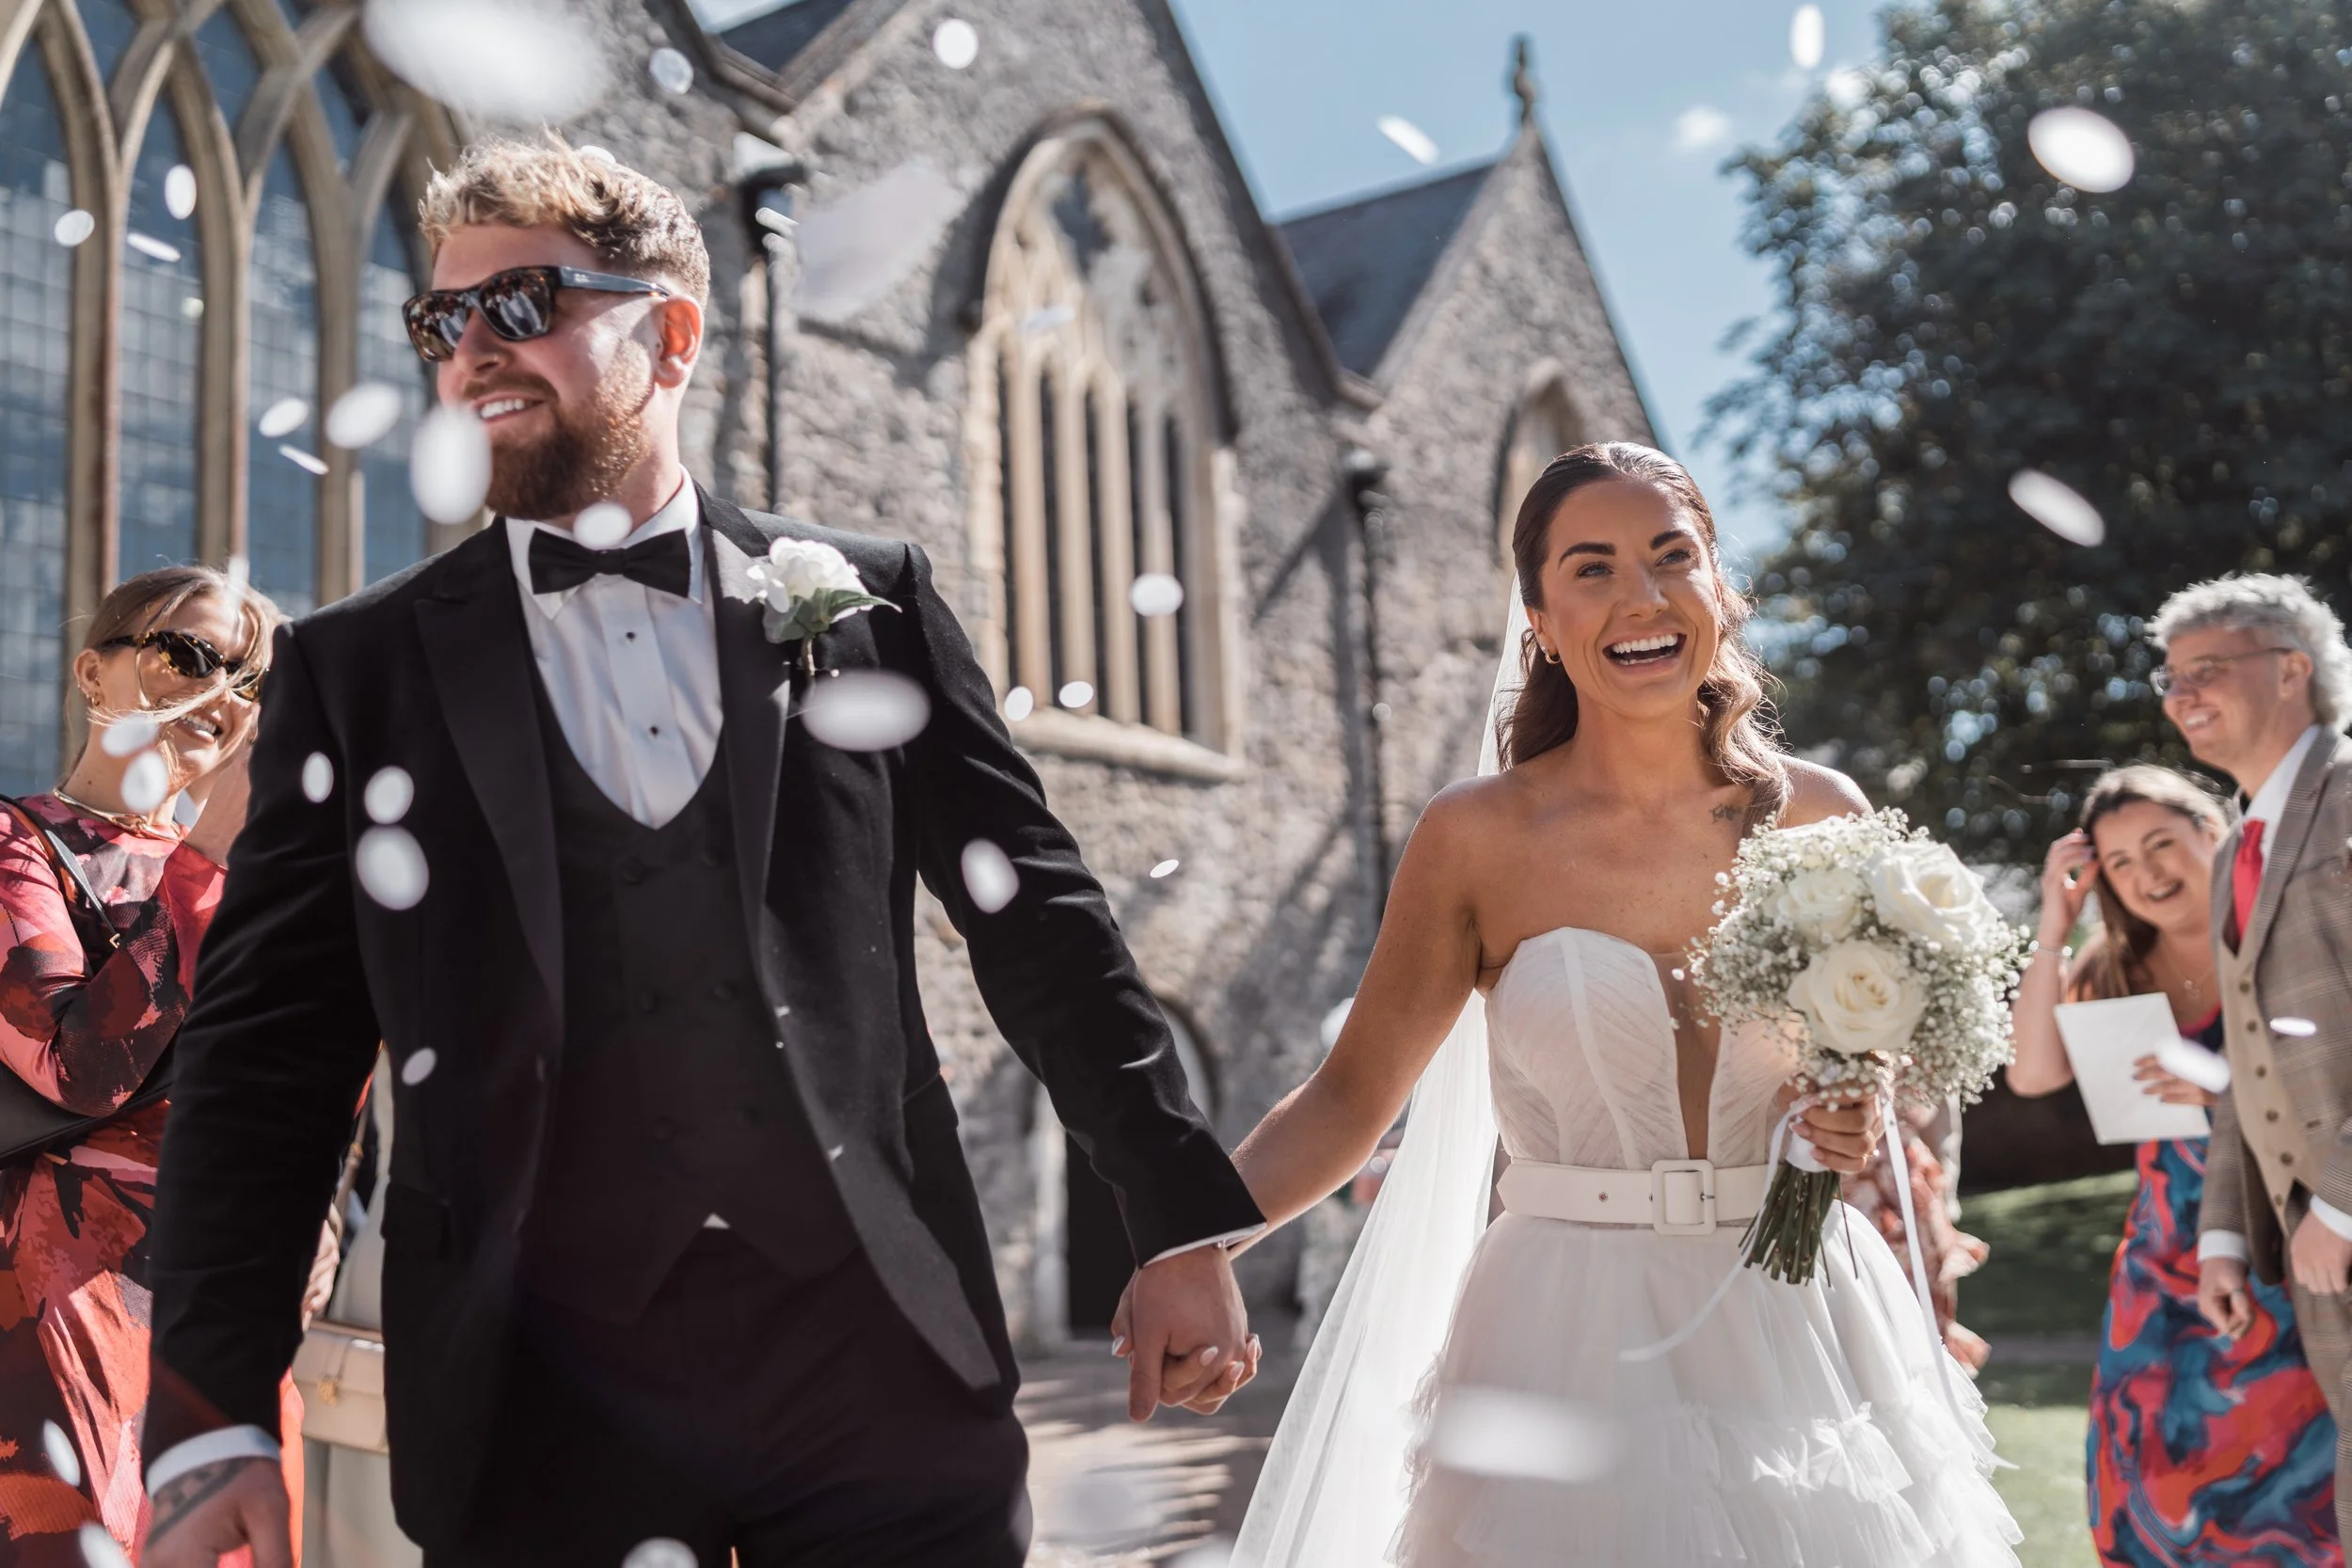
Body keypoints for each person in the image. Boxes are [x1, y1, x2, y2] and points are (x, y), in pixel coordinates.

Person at [136, 134, 1263, 1567]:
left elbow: (1034, 914)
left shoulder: (869, 601)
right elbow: (269, 1051)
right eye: (442, 320)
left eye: (522, 304)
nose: (471, 351)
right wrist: (212, 1410)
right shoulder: (359, 671)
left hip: (879, 1360)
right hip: (536, 1392)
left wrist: (1174, 1220)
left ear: (671, 333)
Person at [1216, 443, 2019, 1565]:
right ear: (1538, 616)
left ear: (1719, 591)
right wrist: (1191, 1241)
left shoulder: (1823, 816)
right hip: (1565, 1325)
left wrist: (1854, 1105)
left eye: (1670, 557)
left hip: (1799, 1314)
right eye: (1590, 568)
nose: (1639, 597)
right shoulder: (1476, 836)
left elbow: (1862, 1059)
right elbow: (1349, 1096)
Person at [0, 567, 288, 1560]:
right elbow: (77, 1066)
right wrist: (206, 851)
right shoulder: (15, 840)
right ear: (93, 672)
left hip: (223, 1312)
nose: (222, 696)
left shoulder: (256, 885)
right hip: (59, 1297)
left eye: (249, 681)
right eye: (188, 656)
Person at [2009, 764, 2341, 1564]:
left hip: (2294, 1258)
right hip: (2160, 1275)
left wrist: (2223, 1088)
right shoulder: (2110, 969)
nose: (2148, 873)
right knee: (2148, 1490)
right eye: (2121, 862)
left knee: (2298, 1502)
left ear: (2215, 833)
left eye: (2164, 843)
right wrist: (2057, 923)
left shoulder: (2289, 944)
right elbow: (2031, 1073)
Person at [2158, 574, 2352, 1547]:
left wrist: (2342, 1201)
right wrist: (2227, 1238)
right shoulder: (2242, 839)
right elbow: (2249, 1057)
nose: (2181, 693)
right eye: (2169, 677)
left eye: (2207, 670)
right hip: (2321, 1266)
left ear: (2291, 671)